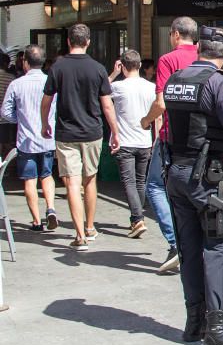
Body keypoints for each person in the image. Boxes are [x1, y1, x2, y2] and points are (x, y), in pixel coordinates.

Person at [163, 25, 223, 345]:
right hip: (210, 178)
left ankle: (194, 321)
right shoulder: (221, 82)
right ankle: (217, 326)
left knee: (188, 248)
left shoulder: (176, 79)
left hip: (177, 173)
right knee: (218, 247)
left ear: (199, 47)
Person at [41, 24, 119, 251]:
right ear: (88, 42)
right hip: (93, 132)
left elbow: (46, 100)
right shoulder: (97, 69)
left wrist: (45, 123)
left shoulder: (58, 67)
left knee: (72, 183)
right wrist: (115, 131)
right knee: (90, 179)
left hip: (66, 133)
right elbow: (107, 105)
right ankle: (90, 227)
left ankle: (79, 236)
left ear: (68, 41)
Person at [139, 16, 199, 272]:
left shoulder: (168, 60)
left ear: (175, 34)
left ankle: (176, 243)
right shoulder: (205, 57)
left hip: (171, 136)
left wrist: (145, 121)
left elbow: (161, 103)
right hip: (202, 138)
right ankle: (194, 245)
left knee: (153, 186)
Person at [1, 45, 57, 232]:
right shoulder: (51, 81)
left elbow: (6, 112)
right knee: (47, 175)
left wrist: (21, 118)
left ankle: (36, 221)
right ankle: (51, 208)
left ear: (25, 62)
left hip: (26, 140)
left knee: (29, 180)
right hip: (48, 138)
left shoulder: (17, 84)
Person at [107, 49, 156, 239]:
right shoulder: (150, 87)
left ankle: (137, 218)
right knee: (140, 181)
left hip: (125, 141)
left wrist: (113, 73)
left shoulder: (118, 86)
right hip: (145, 141)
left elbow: (100, 89)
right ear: (140, 65)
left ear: (123, 67)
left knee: (129, 181)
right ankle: (136, 218)